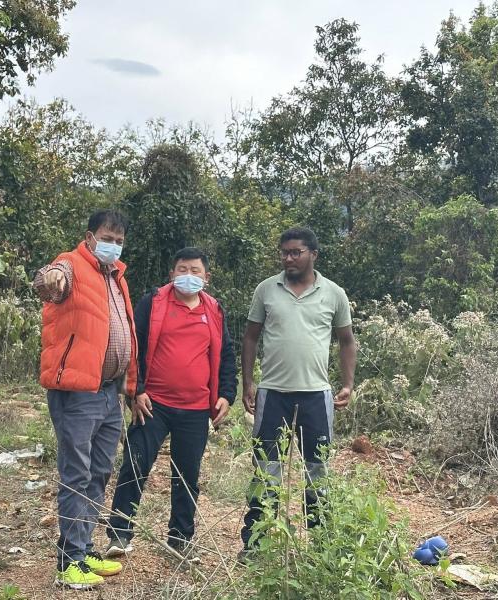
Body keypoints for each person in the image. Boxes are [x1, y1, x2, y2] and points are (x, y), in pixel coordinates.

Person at [105, 247, 237, 562]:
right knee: (135, 465)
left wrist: (226, 394)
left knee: (187, 475)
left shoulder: (214, 310)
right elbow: (134, 345)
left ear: (206, 277)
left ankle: (180, 538)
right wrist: (136, 390)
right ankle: (120, 533)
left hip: (195, 408)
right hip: (153, 404)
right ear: (172, 274)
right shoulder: (153, 303)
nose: (188, 276)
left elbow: (225, 354)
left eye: (195, 271)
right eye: (182, 269)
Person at [33, 209, 137, 590]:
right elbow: (52, 279)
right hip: (78, 393)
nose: (113, 245)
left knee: (99, 472)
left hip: (109, 392)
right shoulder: (72, 264)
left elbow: (124, 332)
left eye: (119, 241)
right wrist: (50, 279)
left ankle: (84, 547)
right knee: (77, 475)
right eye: (107, 238)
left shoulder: (116, 277)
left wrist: (129, 387)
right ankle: (69, 561)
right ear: (90, 237)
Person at [239, 227, 356, 559]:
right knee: (266, 469)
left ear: (313, 254)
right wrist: (248, 383)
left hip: (316, 397)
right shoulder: (266, 290)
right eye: (284, 252)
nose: (288, 258)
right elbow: (251, 337)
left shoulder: (334, 293)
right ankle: (256, 545)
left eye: (296, 252)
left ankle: (320, 547)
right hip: (272, 394)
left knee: (317, 470)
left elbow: (347, 341)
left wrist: (347, 384)